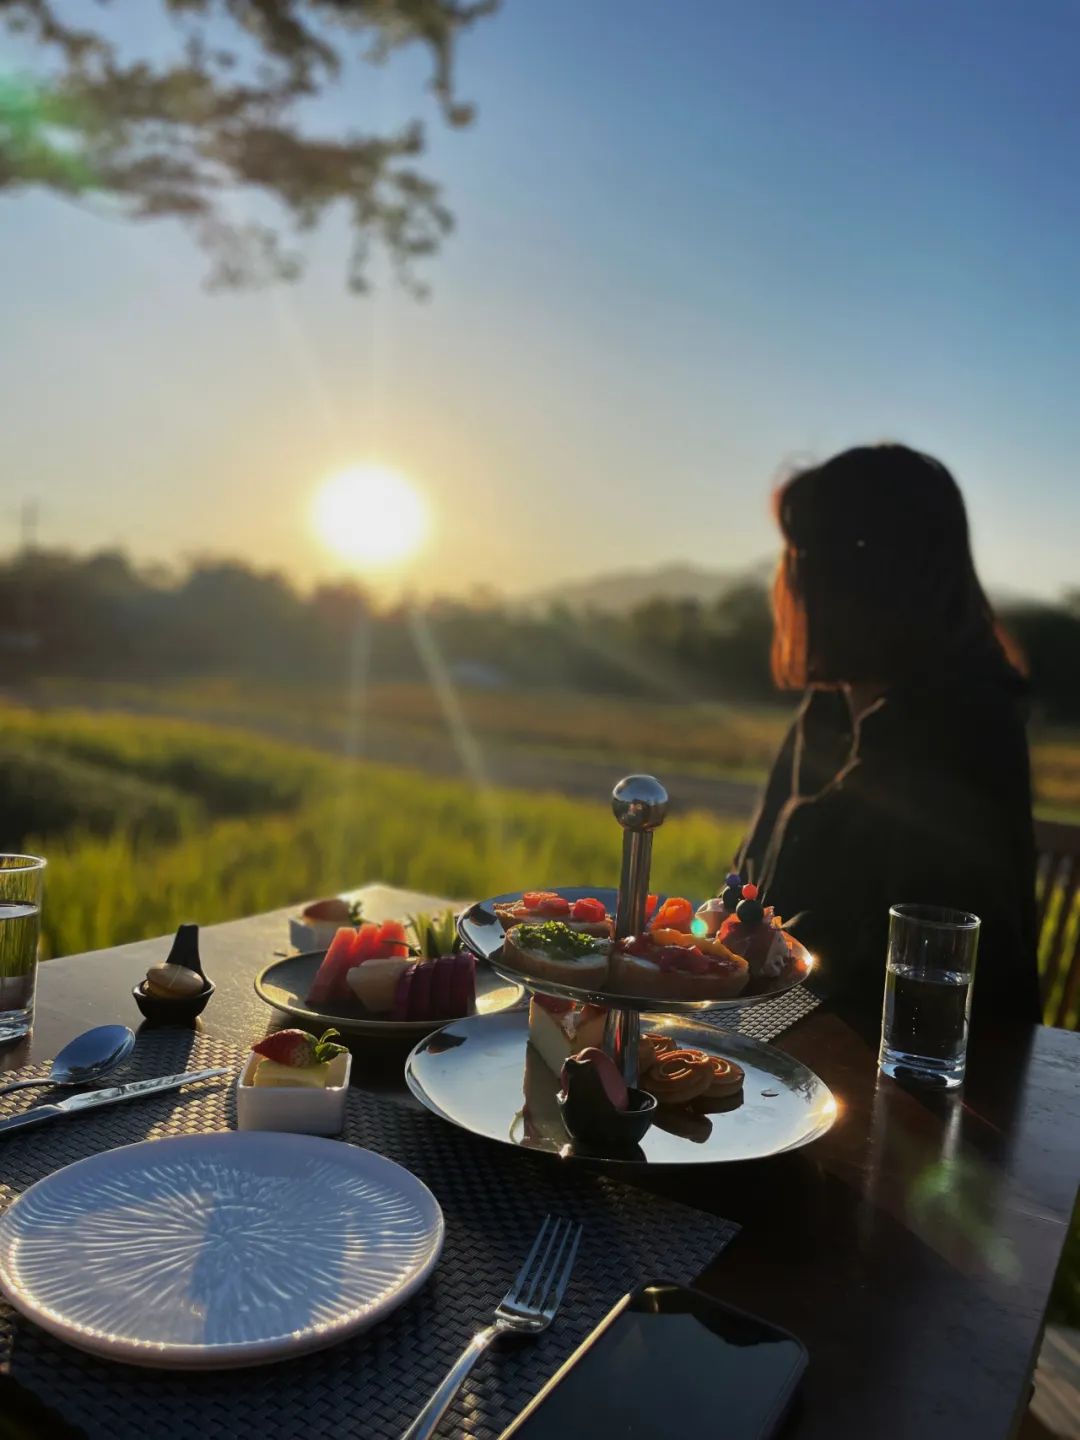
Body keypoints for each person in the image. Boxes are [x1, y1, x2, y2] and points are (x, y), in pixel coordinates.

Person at [737, 443, 1041, 1024]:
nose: (788, 582)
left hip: (928, 1074)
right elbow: (756, 904)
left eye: (801, 556)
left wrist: (715, 1023)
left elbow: (858, 962)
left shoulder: (963, 729)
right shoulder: (827, 713)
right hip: (798, 1037)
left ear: (857, 578)